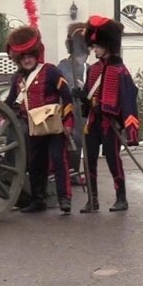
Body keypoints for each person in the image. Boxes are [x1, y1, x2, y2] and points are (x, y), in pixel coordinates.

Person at [4, 0, 76, 214]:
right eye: (23, 57)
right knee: (36, 163)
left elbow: (67, 97)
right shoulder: (17, 79)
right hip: (33, 127)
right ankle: (38, 199)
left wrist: (69, 122)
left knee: (59, 160)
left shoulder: (51, 71)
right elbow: (9, 102)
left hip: (54, 126)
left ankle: (64, 199)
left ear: (36, 55)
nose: (27, 60)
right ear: (18, 59)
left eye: (29, 56)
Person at [81, 15, 141, 212]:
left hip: (110, 123)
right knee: (89, 160)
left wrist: (130, 131)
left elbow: (128, 98)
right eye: (93, 46)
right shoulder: (92, 70)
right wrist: (81, 97)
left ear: (107, 45)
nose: (94, 49)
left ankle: (121, 198)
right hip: (93, 122)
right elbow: (89, 98)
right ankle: (92, 200)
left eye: (97, 46)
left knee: (113, 161)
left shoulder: (120, 70)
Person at [57, 22, 90, 186]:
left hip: (83, 111)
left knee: (80, 142)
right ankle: (68, 172)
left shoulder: (88, 68)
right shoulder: (63, 66)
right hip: (67, 109)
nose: (83, 57)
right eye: (81, 53)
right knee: (71, 141)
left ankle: (76, 171)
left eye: (85, 53)